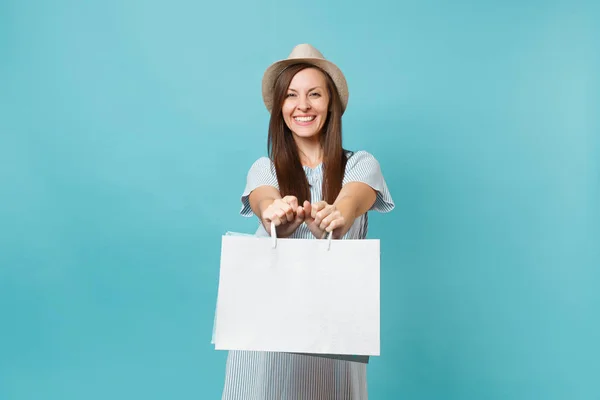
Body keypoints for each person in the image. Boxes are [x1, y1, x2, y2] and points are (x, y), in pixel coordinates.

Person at [221, 44, 395, 400]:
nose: (302, 105)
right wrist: (276, 217)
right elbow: (263, 200)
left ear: (330, 103)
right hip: (265, 331)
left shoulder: (361, 164)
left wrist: (335, 218)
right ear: (279, 107)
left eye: (314, 94)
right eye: (291, 95)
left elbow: (351, 201)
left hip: (333, 330)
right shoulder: (264, 168)